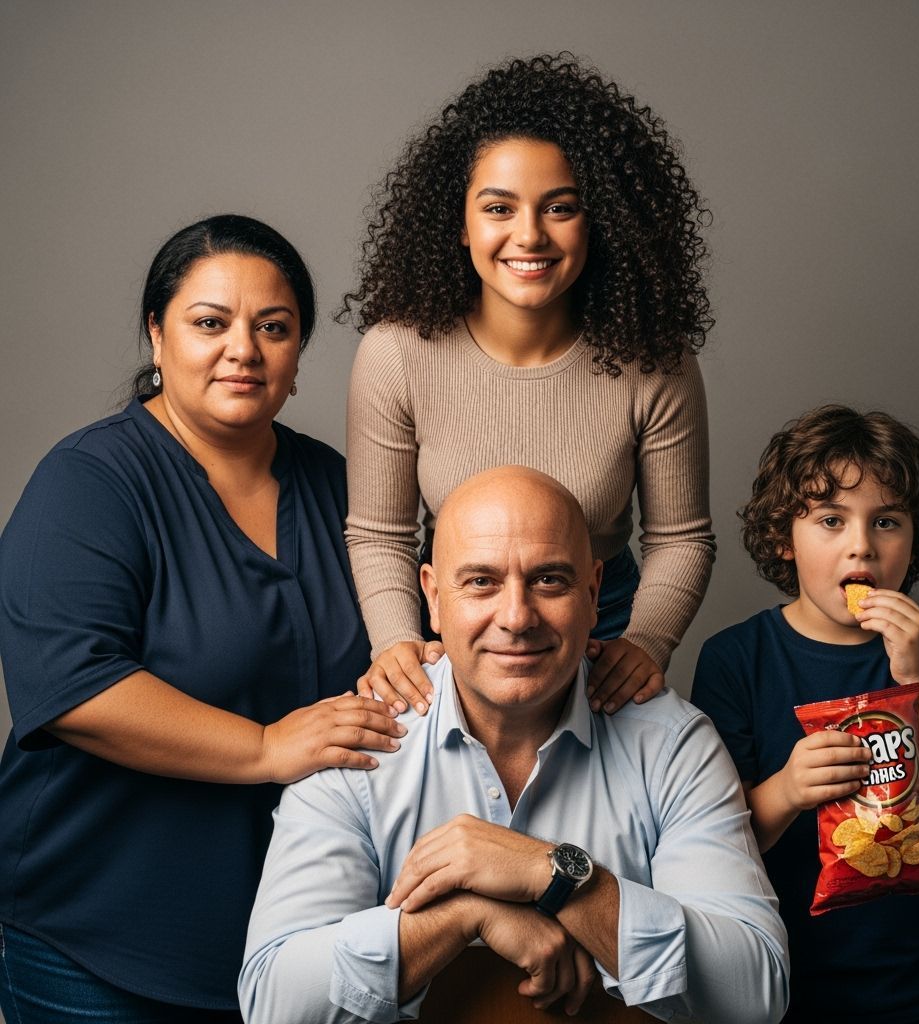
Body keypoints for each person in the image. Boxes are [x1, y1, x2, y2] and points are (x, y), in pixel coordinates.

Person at [0, 215, 408, 1023]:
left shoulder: (340, 486)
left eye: (274, 328)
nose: (244, 351)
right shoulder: (90, 481)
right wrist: (264, 747)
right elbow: (74, 688)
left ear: (297, 354)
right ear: (157, 336)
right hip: (98, 943)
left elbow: (402, 652)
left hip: (294, 946)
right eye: (210, 323)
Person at [239, 466, 788, 1024]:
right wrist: (461, 914)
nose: (517, 618)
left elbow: (755, 996)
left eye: (549, 580)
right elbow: (273, 1005)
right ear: (432, 597)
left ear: (594, 592)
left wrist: (559, 876)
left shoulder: (673, 745)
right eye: (481, 581)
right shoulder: (362, 749)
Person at [340, 52, 715, 719]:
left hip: (602, 640)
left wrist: (646, 643)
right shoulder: (394, 355)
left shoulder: (655, 361)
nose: (530, 235)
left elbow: (681, 537)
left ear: (599, 221)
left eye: (560, 207)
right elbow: (379, 532)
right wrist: (396, 642)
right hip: (451, 639)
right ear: (459, 222)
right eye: (498, 208)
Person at [689, 405, 919, 1023]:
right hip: (781, 978)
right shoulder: (736, 659)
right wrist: (785, 790)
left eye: (886, 521)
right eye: (831, 521)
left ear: (915, 540)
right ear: (786, 536)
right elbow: (712, 840)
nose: (861, 544)